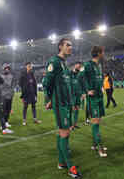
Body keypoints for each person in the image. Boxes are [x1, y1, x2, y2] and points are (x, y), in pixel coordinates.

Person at [44, 38, 82, 178]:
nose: (70, 47)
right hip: (60, 104)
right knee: (65, 133)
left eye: (71, 45)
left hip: (66, 103)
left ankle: (61, 162)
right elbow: (46, 83)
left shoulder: (64, 64)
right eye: (68, 45)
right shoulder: (54, 62)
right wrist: (50, 99)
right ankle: (70, 167)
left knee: (64, 133)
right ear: (60, 47)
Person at [83, 46, 108, 158]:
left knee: (98, 121)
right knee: (96, 122)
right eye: (103, 52)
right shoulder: (88, 65)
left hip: (99, 97)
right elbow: (79, 78)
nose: (104, 54)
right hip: (92, 99)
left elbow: (98, 79)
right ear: (98, 53)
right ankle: (99, 147)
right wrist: (86, 91)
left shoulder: (99, 65)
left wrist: (102, 87)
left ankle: (94, 144)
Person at [70, 62, 85, 129]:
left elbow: (83, 83)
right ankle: (70, 124)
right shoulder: (70, 73)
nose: (79, 67)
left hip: (78, 94)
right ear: (74, 65)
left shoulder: (80, 74)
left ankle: (75, 124)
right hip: (72, 95)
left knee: (77, 109)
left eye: (79, 67)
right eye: (78, 66)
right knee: (72, 109)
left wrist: (83, 93)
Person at [0, 63, 15, 128]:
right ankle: (2, 124)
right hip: (2, 95)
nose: (7, 69)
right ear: (3, 69)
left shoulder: (11, 76)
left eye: (8, 68)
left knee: (8, 109)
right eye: (6, 68)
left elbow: (12, 85)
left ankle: (6, 122)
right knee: (3, 110)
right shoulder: (0, 76)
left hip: (9, 95)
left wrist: (12, 93)